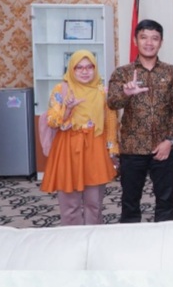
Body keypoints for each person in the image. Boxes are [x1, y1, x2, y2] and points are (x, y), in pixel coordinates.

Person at [107, 19, 173, 223]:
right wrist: (126, 93)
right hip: (132, 148)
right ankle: (131, 240)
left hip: (163, 147)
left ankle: (164, 239)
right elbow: (112, 103)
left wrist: (169, 140)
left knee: (166, 201)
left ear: (161, 42)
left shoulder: (171, 72)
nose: (149, 43)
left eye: (154, 38)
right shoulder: (122, 73)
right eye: (144, 37)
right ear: (135, 40)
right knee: (130, 201)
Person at [40, 50, 118, 225]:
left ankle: (93, 235)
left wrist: (112, 149)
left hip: (95, 147)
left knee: (94, 202)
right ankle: (72, 236)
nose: (85, 71)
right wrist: (67, 109)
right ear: (71, 69)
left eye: (89, 67)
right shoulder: (61, 90)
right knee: (69, 202)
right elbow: (51, 121)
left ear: (95, 69)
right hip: (68, 147)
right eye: (79, 67)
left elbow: (110, 123)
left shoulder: (102, 91)